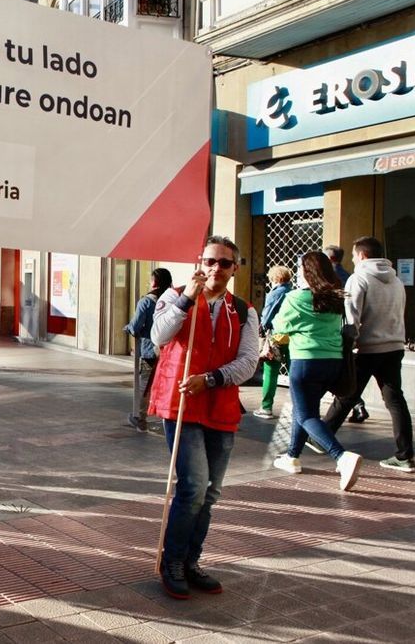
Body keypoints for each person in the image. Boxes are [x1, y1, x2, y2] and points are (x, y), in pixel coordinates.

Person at [149, 235, 258, 601]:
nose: (216, 268)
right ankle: (173, 562)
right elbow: (159, 336)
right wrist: (186, 300)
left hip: (219, 404)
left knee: (210, 493)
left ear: (235, 268)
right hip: (181, 406)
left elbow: (248, 362)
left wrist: (210, 380)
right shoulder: (174, 296)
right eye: (210, 261)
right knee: (194, 486)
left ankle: (192, 560)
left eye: (224, 263)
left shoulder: (243, 310)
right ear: (200, 261)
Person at [270, 252, 363, 490]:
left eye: (300, 267)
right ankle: (292, 456)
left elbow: (280, 326)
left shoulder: (295, 298)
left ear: (306, 271)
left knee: (306, 415)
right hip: (333, 362)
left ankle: (341, 456)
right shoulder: (334, 297)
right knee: (306, 410)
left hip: (305, 362)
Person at [323, 236, 415, 473]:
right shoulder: (396, 280)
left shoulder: (359, 278)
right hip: (394, 346)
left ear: (362, 255)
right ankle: (405, 456)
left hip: (367, 348)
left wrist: (348, 345)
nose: (352, 260)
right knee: (395, 400)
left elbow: (352, 318)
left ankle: (321, 436)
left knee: (347, 394)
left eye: (354, 255)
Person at [124, 267, 172, 431]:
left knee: (144, 385)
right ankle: (169, 418)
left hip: (149, 350)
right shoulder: (172, 300)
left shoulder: (146, 301)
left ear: (154, 282)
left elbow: (136, 326)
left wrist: (128, 328)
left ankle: (140, 418)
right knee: (167, 384)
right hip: (168, 352)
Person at [325, 244, 369, 423]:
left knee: (338, 374)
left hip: (337, 328)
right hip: (347, 329)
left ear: (329, 259)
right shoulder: (348, 275)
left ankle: (355, 406)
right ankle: (357, 405)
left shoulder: (329, 277)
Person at [254, 265, 294, 419]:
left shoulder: (275, 293)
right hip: (292, 337)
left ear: (274, 278)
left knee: (271, 373)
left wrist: (263, 327)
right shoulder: (293, 292)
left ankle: (266, 407)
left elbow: (266, 317)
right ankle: (296, 408)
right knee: (293, 373)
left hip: (276, 338)